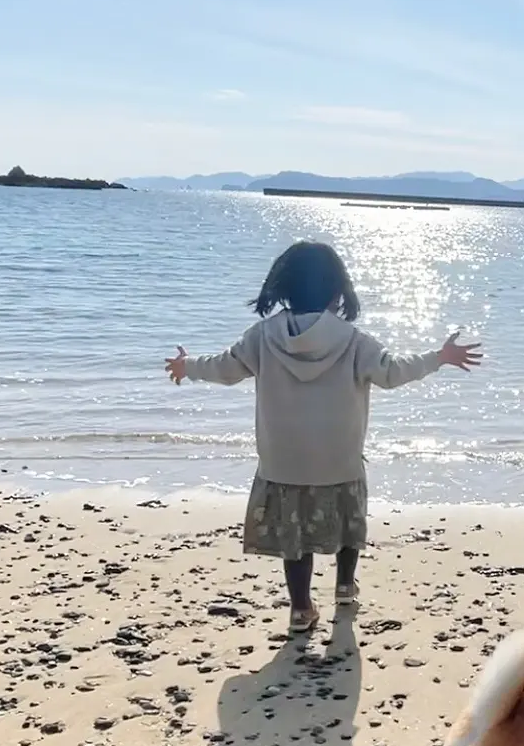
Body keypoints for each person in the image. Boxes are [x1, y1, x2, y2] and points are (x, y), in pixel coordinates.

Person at [165, 240, 482, 633]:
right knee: (348, 523)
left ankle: (301, 608)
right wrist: (438, 358)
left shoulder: (263, 336)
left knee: (294, 539)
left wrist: (188, 366)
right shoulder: (353, 340)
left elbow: (225, 368)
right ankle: (345, 587)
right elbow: (392, 372)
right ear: (338, 291)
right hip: (339, 460)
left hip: (284, 464)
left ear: (282, 287)